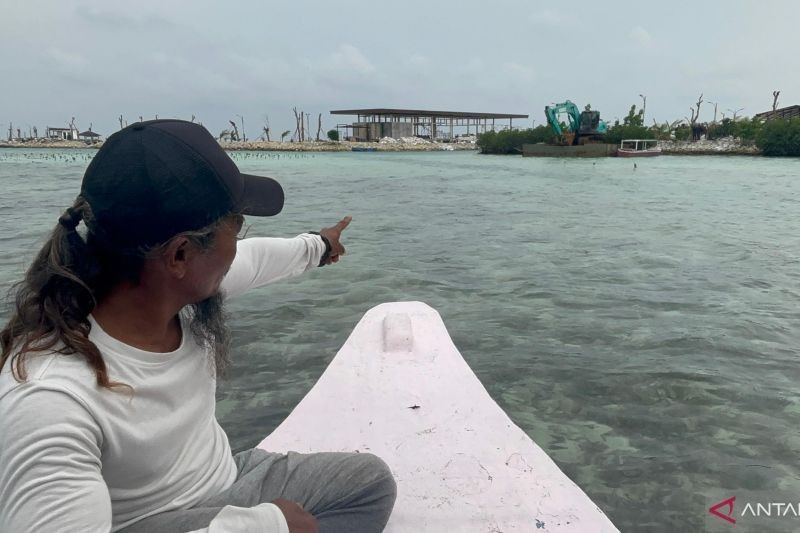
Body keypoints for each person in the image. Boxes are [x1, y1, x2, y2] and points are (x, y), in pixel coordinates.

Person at [0, 119, 397, 533]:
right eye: (237, 225)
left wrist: (320, 245)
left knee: (368, 484)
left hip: (225, 478)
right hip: (151, 523)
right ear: (180, 255)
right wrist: (264, 526)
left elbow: (258, 259)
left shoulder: (168, 291)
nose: (238, 244)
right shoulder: (49, 396)